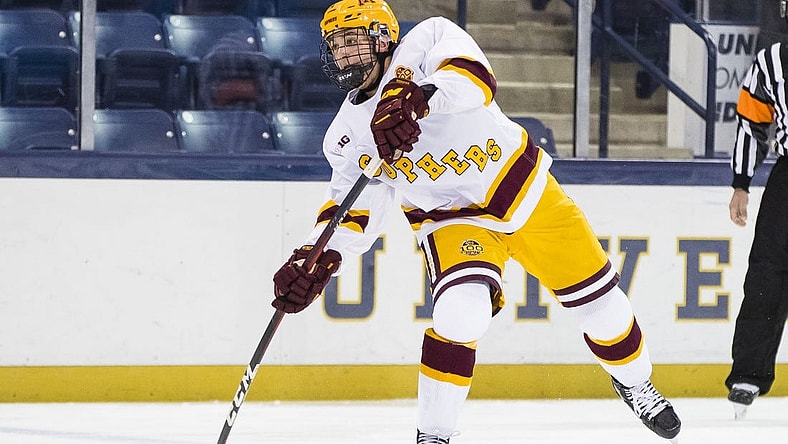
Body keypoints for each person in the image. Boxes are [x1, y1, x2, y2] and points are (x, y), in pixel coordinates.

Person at [271, 1, 681, 442]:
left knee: (605, 311)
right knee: (459, 315)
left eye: (353, 42)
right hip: (451, 219)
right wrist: (317, 257)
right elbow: (353, 212)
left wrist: (421, 96)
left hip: (523, 192)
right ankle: (434, 433)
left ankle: (636, 382)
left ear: (383, 38)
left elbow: (478, 79)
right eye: (336, 46)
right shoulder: (345, 136)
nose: (344, 55)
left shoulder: (425, 40)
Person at [726, 1, 788, 421]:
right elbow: (752, 124)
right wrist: (741, 184)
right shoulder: (771, 61)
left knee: (769, 271)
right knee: (767, 273)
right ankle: (749, 373)